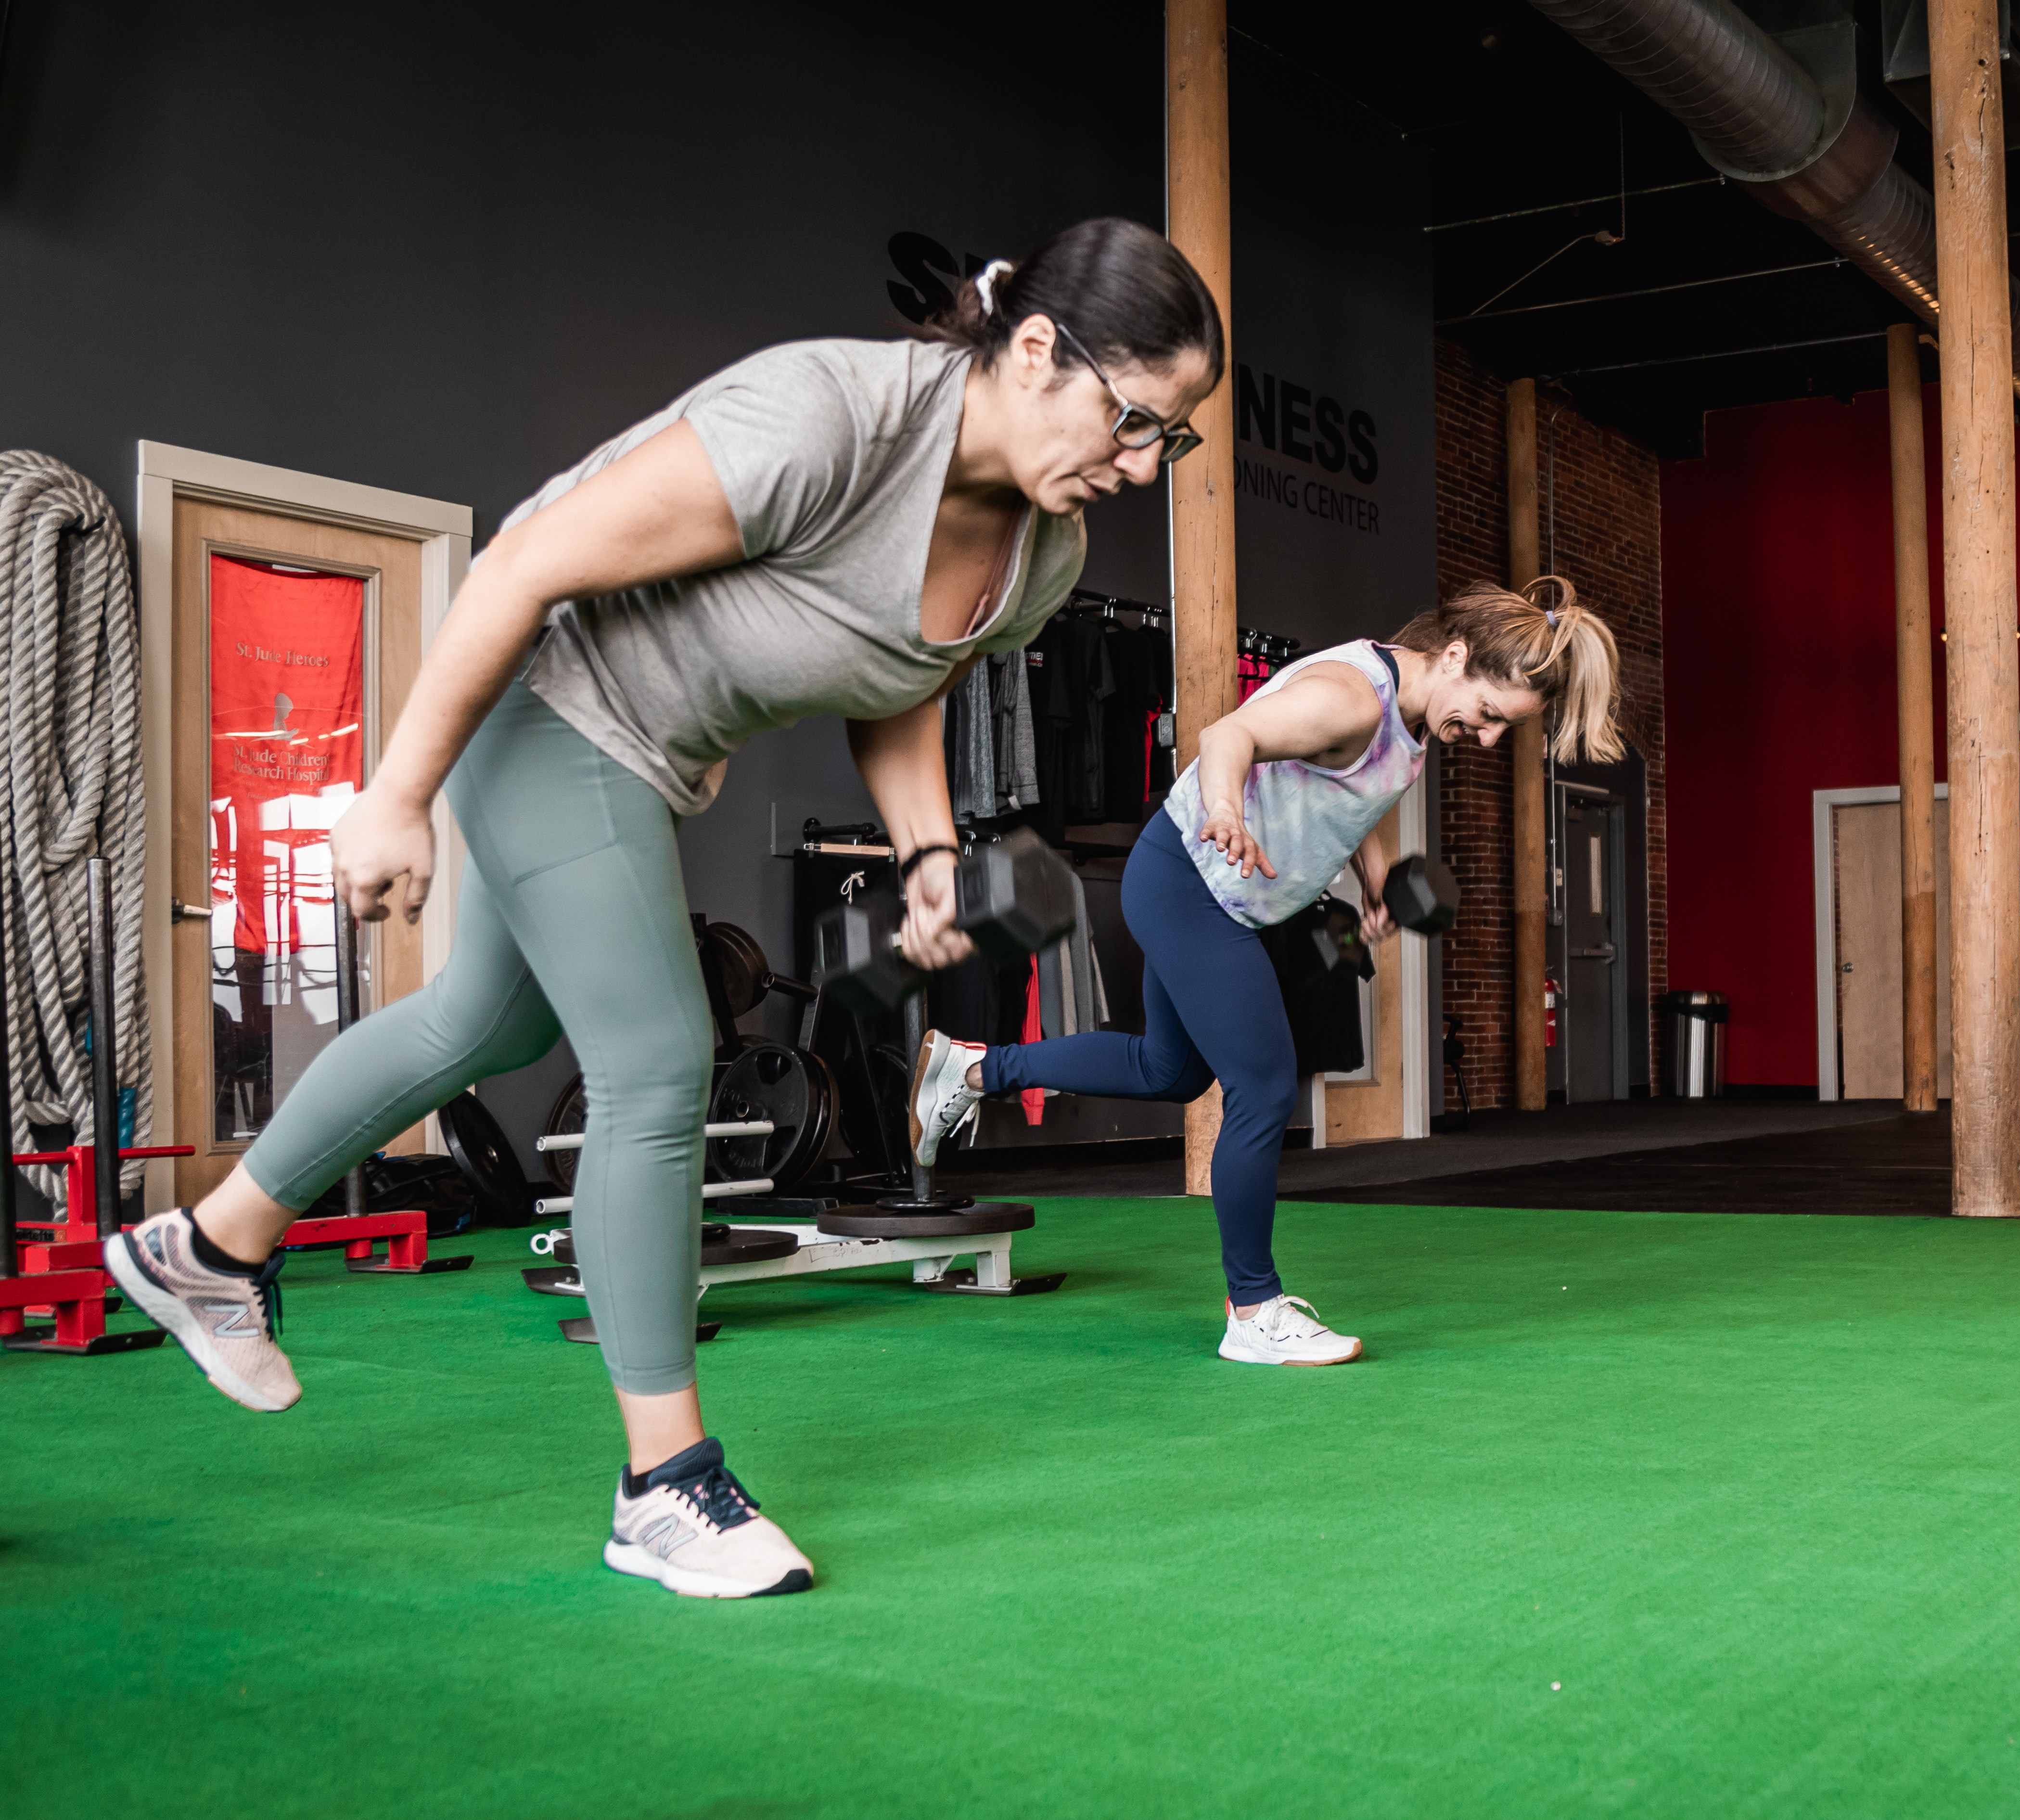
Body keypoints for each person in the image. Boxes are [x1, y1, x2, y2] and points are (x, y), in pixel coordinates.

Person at [104, 218, 1225, 1598]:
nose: (1136, 465)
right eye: (1132, 422)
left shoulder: (1039, 553)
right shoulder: (827, 420)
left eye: (1168, 442)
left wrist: (931, 854)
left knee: (482, 1019)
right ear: (1040, 351)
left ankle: (204, 1243)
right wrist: (393, 790)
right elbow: (523, 561)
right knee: (654, 1059)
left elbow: (903, 685)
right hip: (549, 715)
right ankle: (664, 1483)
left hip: (651, 761)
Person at [904, 578, 1623, 1363]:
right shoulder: (1350, 698)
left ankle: (970, 1069)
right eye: (1488, 716)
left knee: (1167, 1068)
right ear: (1455, 657)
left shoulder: (1409, 711)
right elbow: (1227, 737)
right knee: (1265, 1086)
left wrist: (1377, 876)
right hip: (1191, 881)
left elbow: (1362, 793)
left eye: (1500, 731)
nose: (1485, 738)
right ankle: (1252, 1309)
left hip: (1212, 892)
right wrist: (1224, 810)